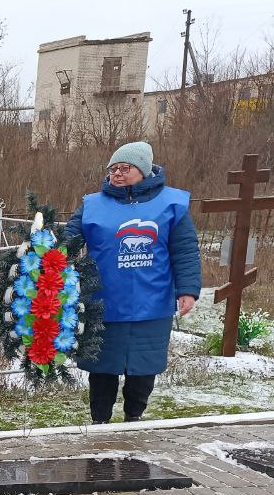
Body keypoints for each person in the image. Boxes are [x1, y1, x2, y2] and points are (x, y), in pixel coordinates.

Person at [65, 141, 201, 424]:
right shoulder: (92, 205)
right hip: (103, 303)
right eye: (113, 168)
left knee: (143, 368)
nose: (117, 173)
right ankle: (99, 421)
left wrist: (188, 289)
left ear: (143, 170)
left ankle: (133, 418)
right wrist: (46, 256)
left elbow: (185, 250)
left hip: (151, 304)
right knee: (102, 368)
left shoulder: (171, 204)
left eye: (125, 168)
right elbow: (69, 241)